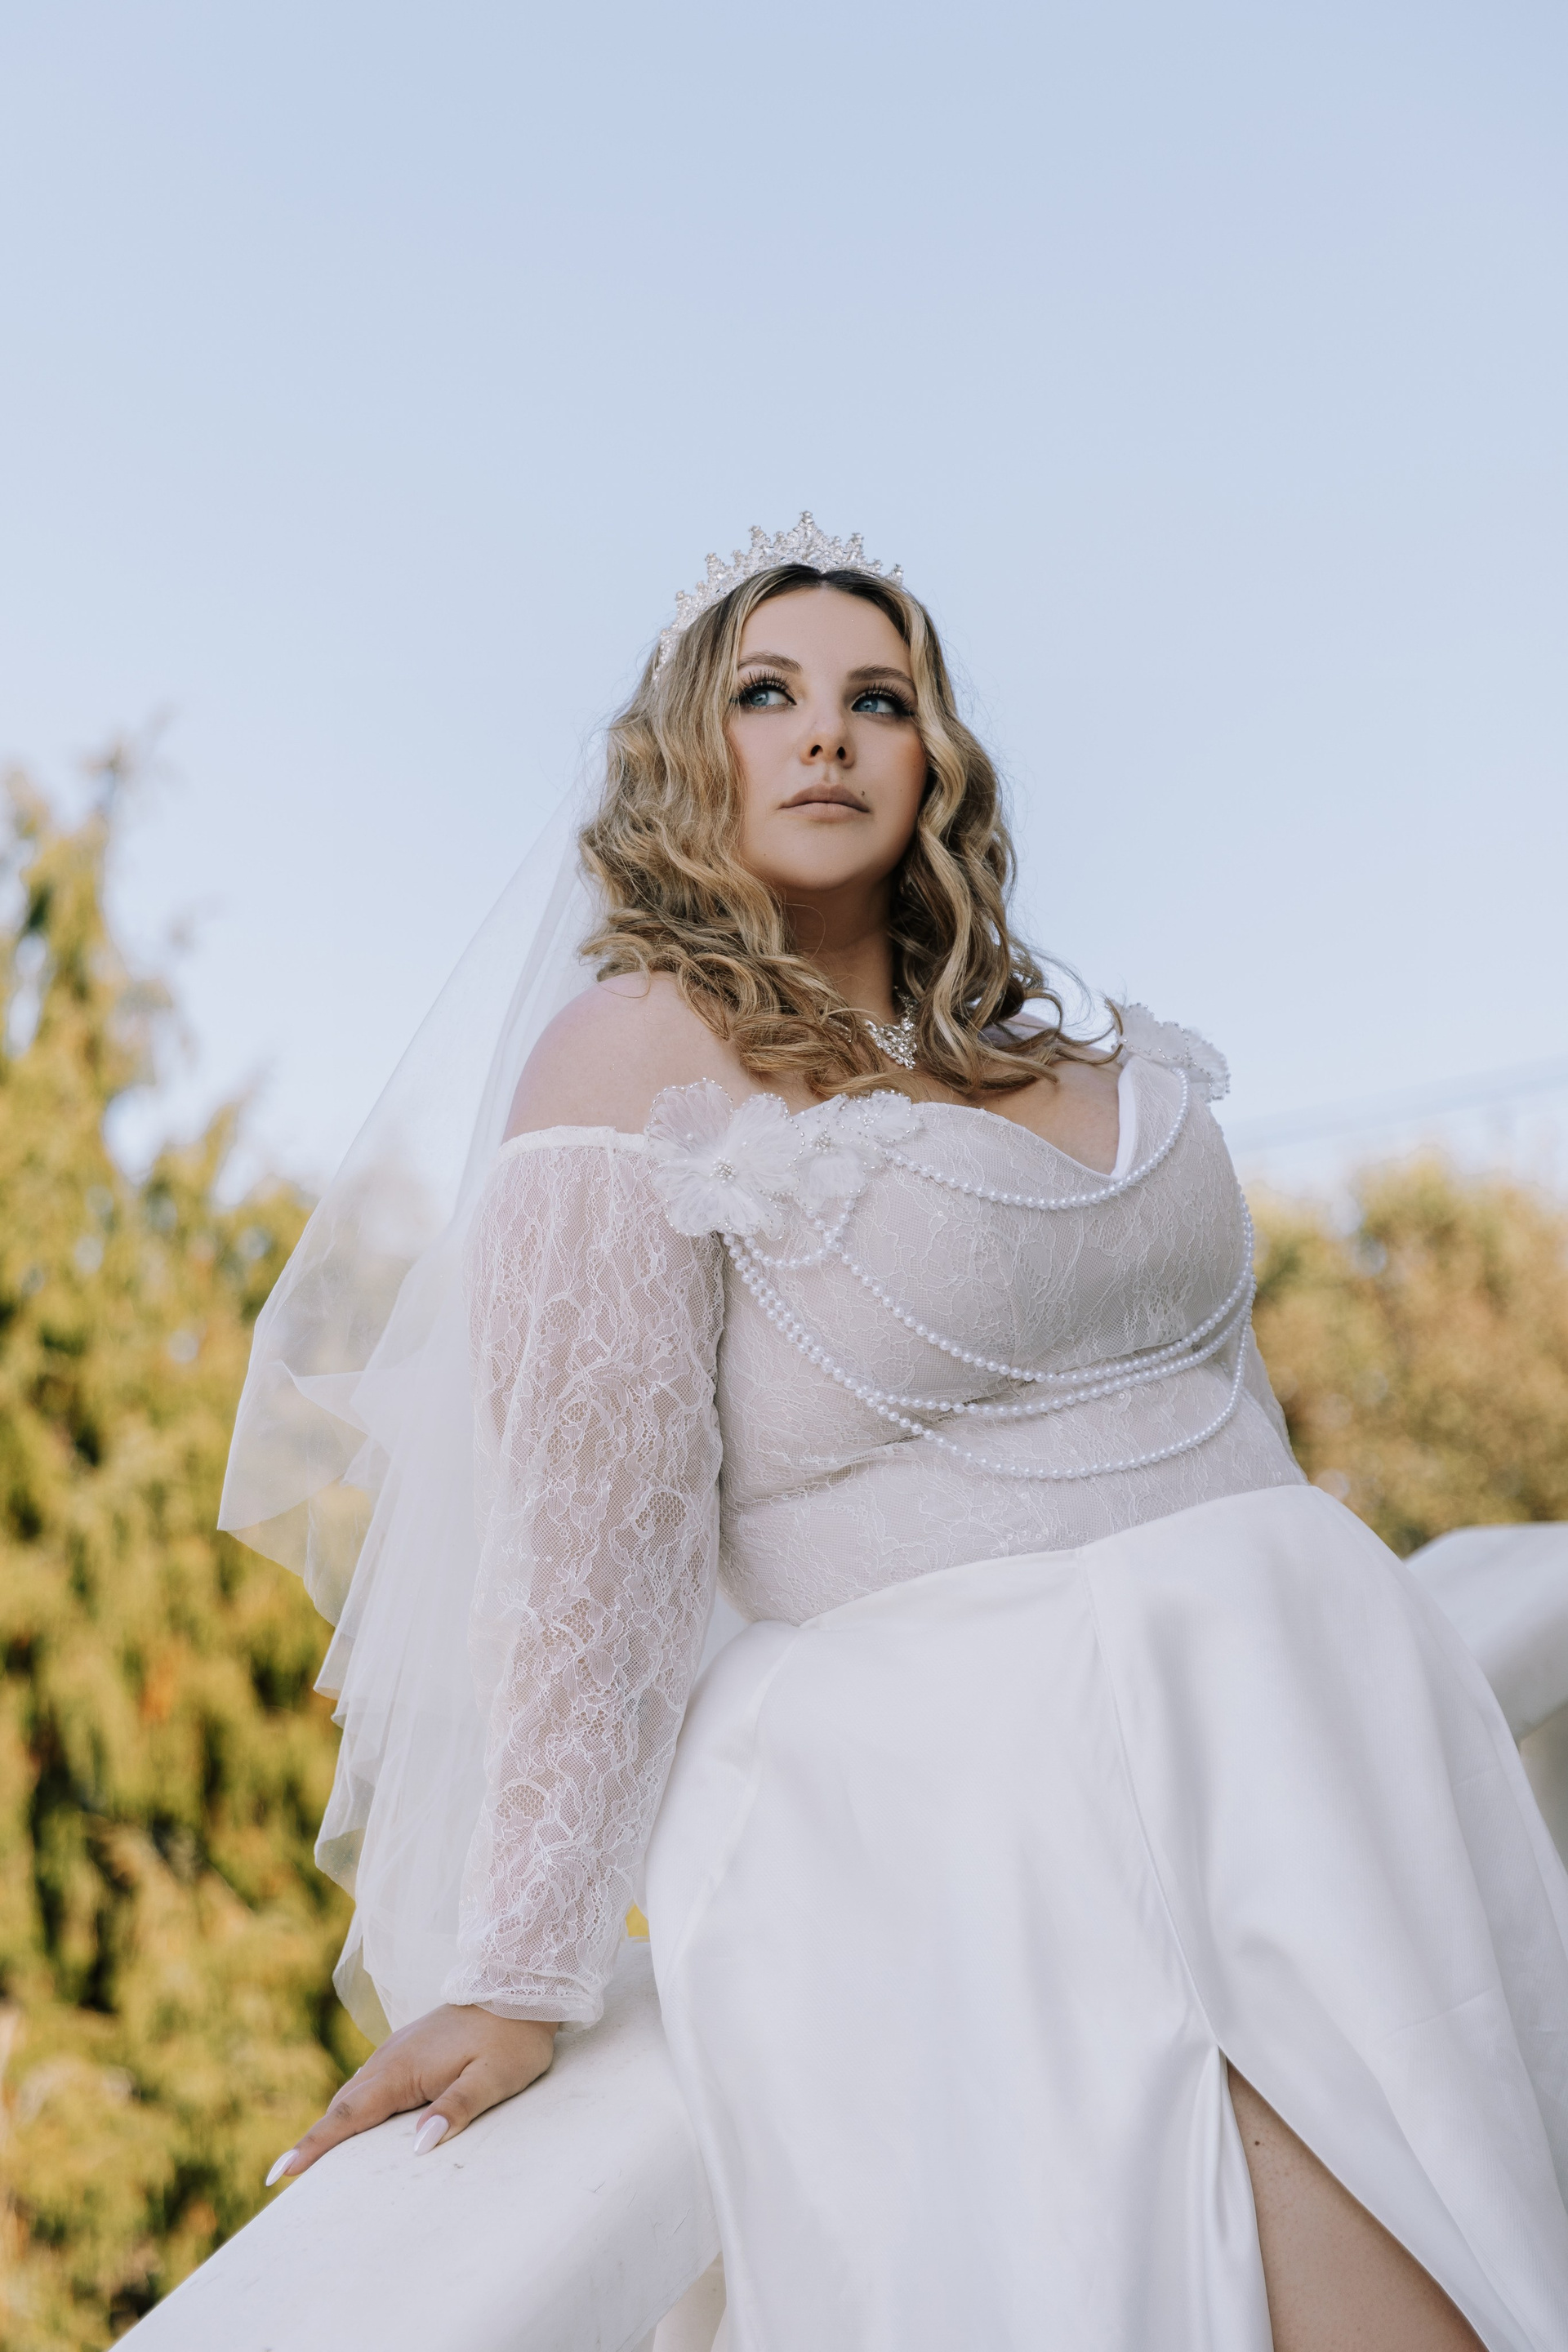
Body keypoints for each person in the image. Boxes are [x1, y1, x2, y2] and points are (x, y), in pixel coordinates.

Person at [226, 519, 1568, 2350]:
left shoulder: (1056, 1053)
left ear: (935, 760)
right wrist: (520, 1972)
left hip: (1320, 1737)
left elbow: (1232, 1409)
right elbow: (595, 1549)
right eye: (768, 694)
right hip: (986, 1783)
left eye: (879, 699)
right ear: (690, 753)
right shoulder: (632, 1059)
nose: (826, 734)